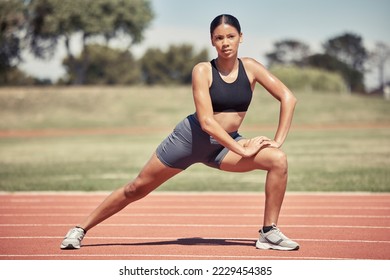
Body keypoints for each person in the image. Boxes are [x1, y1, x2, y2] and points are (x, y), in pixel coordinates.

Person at [60, 14, 299, 251]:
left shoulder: (252, 68)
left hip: (224, 147)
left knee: (278, 160)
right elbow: (206, 122)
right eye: (219, 38)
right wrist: (242, 148)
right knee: (136, 188)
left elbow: (288, 97)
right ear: (212, 41)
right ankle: (80, 229)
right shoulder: (202, 70)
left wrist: (277, 141)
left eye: (231, 36)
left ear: (241, 37)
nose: (225, 43)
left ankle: (268, 232)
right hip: (189, 140)